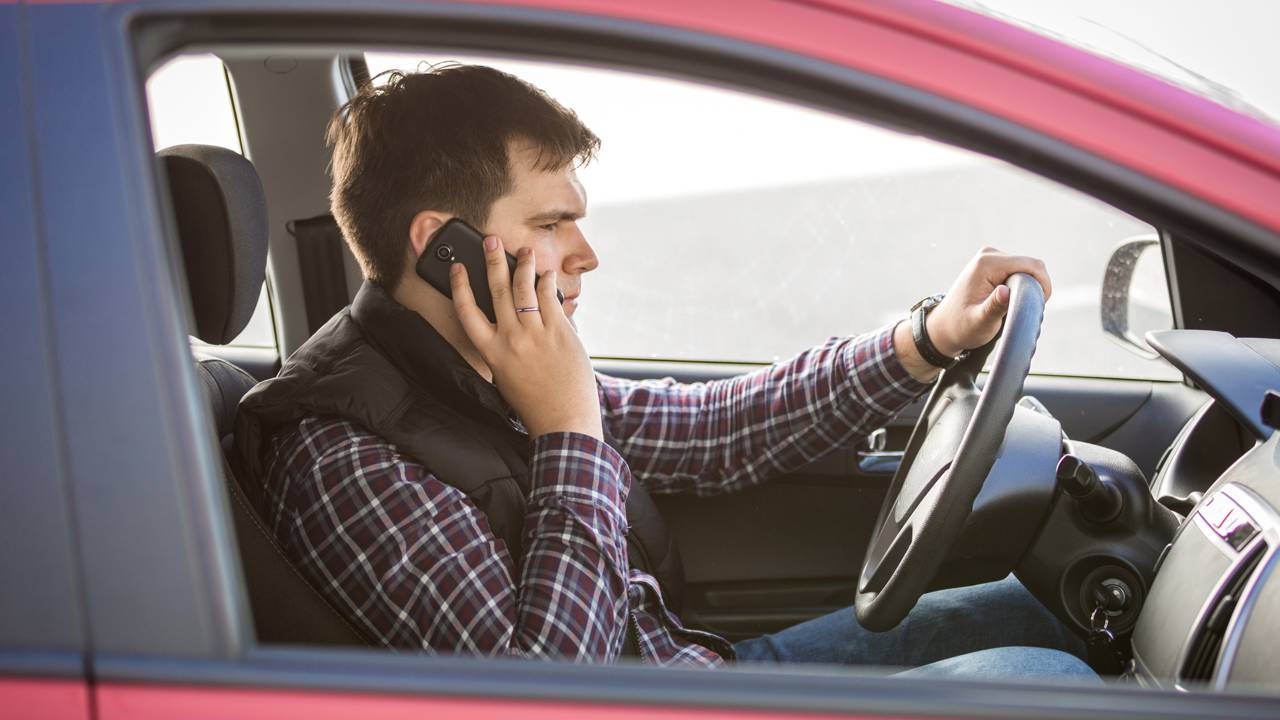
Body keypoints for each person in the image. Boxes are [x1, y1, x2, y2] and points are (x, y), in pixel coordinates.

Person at [235, 64, 1093, 680]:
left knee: (1037, 605)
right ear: (444, 248)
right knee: (1042, 683)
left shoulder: (478, 370)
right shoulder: (343, 458)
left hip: (696, 672)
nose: (587, 254)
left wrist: (925, 340)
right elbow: (554, 701)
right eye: (553, 221)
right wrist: (568, 431)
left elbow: (717, 428)